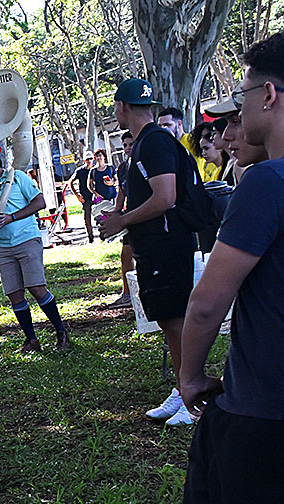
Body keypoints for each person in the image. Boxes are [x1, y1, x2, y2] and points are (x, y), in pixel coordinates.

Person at [175, 31, 284, 504]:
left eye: (244, 93)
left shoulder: (269, 184)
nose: (237, 109)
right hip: (251, 405)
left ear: (270, 94)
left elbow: (207, 301)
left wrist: (188, 376)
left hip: (268, 413)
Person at [99, 78, 197, 427]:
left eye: (115, 107)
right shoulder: (144, 144)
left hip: (169, 243)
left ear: (122, 107)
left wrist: (122, 220)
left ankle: (193, 396)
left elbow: (165, 196)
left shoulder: (154, 143)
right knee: (168, 319)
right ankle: (183, 388)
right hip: (154, 245)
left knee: (176, 319)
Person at [0, 143, 71, 352]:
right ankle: (31, 339)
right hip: (3, 245)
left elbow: (40, 202)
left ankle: (61, 332)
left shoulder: (17, 177)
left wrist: (12, 217)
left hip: (26, 238)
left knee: (37, 288)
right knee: (14, 294)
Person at [107, 131, 136, 309]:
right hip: (129, 217)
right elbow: (121, 192)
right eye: (124, 145)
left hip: (143, 216)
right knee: (126, 255)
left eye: (131, 144)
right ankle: (127, 293)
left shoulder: (146, 162)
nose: (127, 148)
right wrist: (116, 212)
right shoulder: (123, 167)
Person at [72, 151, 95, 242]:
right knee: (87, 218)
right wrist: (78, 195)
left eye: (91, 159)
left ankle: (104, 234)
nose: (89, 161)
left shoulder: (96, 169)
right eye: (87, 159)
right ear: (84, 160)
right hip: (86, 197)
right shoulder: (80, 171)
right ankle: (90, 237)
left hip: (97, 196)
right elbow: (70, 182)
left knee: (102, 216)